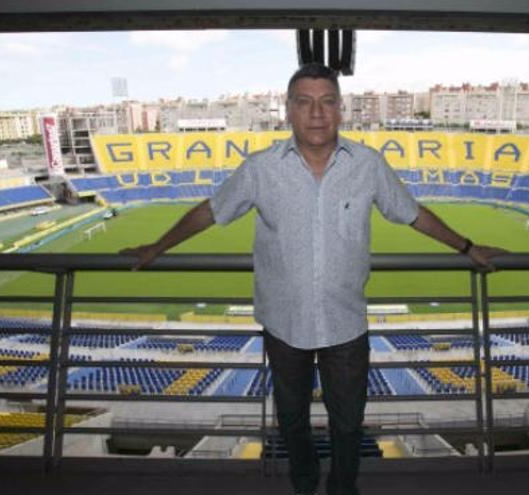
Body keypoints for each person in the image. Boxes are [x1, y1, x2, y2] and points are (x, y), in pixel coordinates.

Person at [120, 63, 508, 495]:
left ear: (341, 110)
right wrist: (158, 246)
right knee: (291, 421)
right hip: (285, 325)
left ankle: (343, 488)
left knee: (348, 424)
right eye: (305, 102)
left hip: (345, 324)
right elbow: (211, 211)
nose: (317, 113)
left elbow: (412, 213)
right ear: (288, 110)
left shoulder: (368, 164)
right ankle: (304, 485)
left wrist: (467, 246)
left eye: (326, 102)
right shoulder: (261, 169)